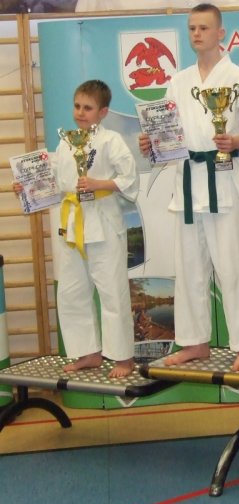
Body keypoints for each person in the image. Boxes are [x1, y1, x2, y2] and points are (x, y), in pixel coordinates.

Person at [139, 3, 239, 371]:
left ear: (220, 32)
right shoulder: (179, 81)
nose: (196, 34)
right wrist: (153, 144)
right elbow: (168, 132)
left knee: (234, 268)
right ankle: (195, 342)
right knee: (190, 270)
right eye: (192, 28)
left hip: (224, 179)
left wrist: (236, 140)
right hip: (188, 181)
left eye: (204, 28)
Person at [15, 80, 139, 378]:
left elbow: (130, 178)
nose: (80, 112)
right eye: (77, 106)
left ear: (103, 112)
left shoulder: (111, 141)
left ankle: (123, 357)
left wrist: (99, 183)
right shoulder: (66, 142)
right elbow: (55, 184)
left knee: (112, 292)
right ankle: (89, 352)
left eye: (88, 108)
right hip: (71, 225)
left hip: (103, 223)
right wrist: (27, 187)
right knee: (72, 291)